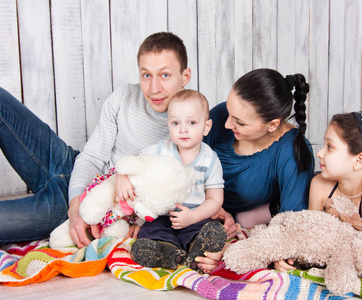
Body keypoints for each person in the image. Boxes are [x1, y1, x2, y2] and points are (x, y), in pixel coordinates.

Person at [0, 32, 192, 246]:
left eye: (164, 75)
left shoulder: (191, 123)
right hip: (69, 166)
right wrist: (76, 207)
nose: (154, 88)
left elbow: (180, 192)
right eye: (146, 75)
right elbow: (91, 157)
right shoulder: (124, 96)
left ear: (185, 77)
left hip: (95, 205)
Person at [196, 68, 315, 272]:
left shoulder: (292, 151)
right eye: (230, 112)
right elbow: (184, 162)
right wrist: (211, 207)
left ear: (272, 125)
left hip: (241, 222)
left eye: (239, 122)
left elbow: (292, 221)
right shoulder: (223, 115)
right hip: (201, 205)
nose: (226, 123)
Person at [275, 110, 362, 271]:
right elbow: (309, 236)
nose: (320, 153)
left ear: (359, 160)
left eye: (329, 147)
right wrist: (287, 255)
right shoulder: (319, 184)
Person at [113, 89, 227, 271]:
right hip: (163, 215)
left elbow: (215, 199)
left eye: (192, 122)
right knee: (149, 230)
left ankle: (196, 250)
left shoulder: (210, 159)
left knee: (206, 229)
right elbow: (132, 161)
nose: (183, 129)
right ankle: (166, 252)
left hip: (195, 215)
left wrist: (194, 216)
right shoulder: (161, 150)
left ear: (206, 126)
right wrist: (121, 177)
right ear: (168, 125)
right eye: (175, 123)